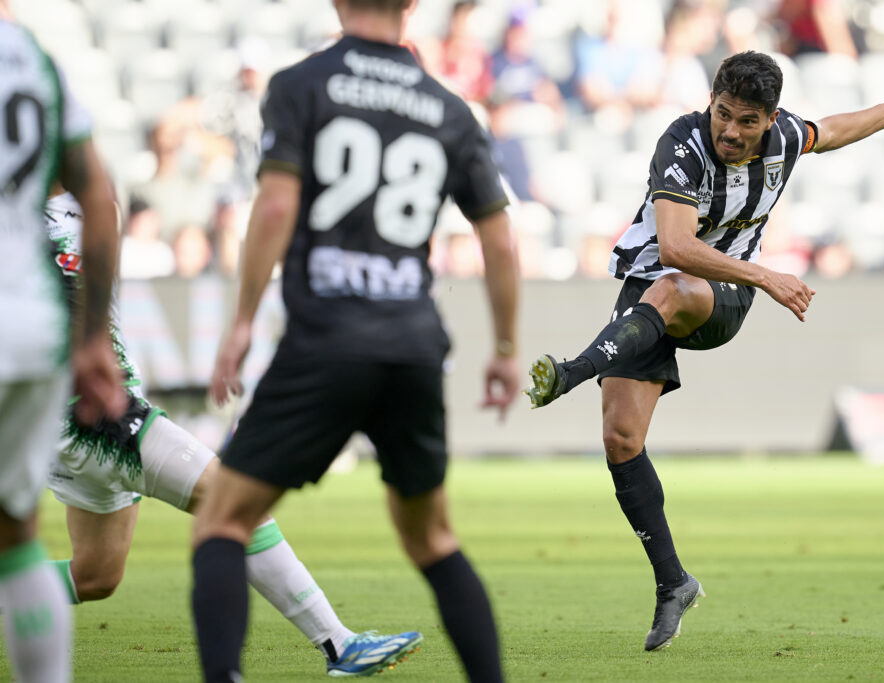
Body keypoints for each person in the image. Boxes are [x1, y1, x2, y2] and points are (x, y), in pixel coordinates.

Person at [524, 51, 884, 651]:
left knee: (674, 287)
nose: (731, 131)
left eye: (747, 121)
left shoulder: (786, 137)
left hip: (722, 295)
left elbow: (838, 130)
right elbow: (675, 244)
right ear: (710, 101)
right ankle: (673, 583)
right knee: (621, 440)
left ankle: (570, 372)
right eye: (723, 114)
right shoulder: (682, 143)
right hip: (657, 288)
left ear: (769, 120)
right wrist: (772, 275)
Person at [190, 0, 519, 681]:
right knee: (432, 538)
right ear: (412, 6)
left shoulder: (301, 85)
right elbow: (497, 238)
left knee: (222, 520)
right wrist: (507, 349)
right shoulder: (450, 109)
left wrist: (244, 318)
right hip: (413, 343)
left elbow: (276, 204)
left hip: (326, 340)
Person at [42, 191, 423, 678]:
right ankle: (339, 644)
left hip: (92, 408)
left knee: (96, 574)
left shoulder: (85, 199)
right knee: (234, 499)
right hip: (91, 414)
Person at [0, 4, 126, 682]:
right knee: (16, 535)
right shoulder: (36, 61)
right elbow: (96, 189)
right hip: (36, 328)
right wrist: (93, 335)